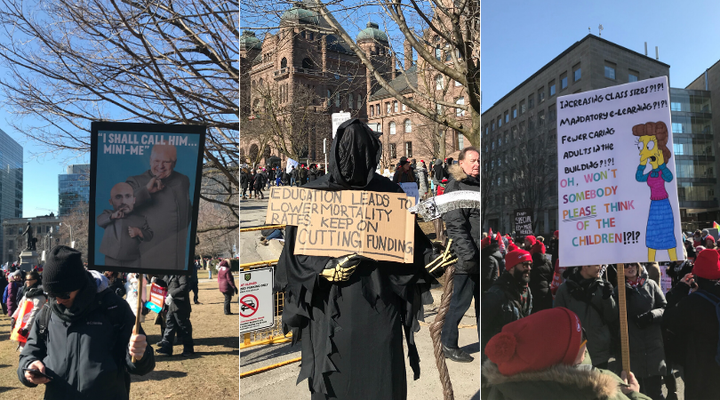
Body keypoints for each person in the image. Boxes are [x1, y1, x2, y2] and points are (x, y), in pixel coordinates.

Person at [274, 118, 440, 399]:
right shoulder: (313, 194)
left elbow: (411, 247)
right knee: (337, 377)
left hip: (379, 304)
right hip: (332, 307)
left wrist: (434, 258)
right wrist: (325, 269)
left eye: (362, 154)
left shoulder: (388, 193)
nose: (355, 161)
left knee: (380, 377)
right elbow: (293, 256)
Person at [17, 245, 154, 398]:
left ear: (80, 285)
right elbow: (29, 353)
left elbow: (141, 366)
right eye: (52, 294)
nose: (58, 300)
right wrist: (29, 366)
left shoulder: (114, 308)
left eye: (63, 294)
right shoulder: (47, 312)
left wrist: (140, 355)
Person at [483, 307, 652, 400]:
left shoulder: (505, 389)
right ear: (560, 360)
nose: (586, 344)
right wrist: (635, 395)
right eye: (581, 339)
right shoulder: (596, 394)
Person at [663, 249, 720, 400]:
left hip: (700, 371)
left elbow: (668, 320)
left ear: (697, 275)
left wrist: (681, 289)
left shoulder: (692, 303)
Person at [441, 146, 480, 363]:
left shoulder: (478, 185)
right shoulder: (456, 186)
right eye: (473, 161)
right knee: (459, 303)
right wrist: (469, 256)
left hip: (483, 256)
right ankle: (448, 344)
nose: (477, 164)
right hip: (467, 257)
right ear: (461, 163)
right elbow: (455, 225)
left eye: (479, 161)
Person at [126, 143, 191, 271]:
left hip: (177, 258)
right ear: (150, 160)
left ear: (175, 163)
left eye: (166, 162)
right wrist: (146, 191)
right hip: (148, 256)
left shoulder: (182, 180)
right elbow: (122, 207)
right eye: (157, 161)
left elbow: (188, 210)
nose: (160, 166)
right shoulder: (135, 181)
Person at [614, 262, 666, 400]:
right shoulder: (618, 289)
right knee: (637, 393)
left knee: (656, 392)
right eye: (625, 266)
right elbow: (613, 316)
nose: (630, 268)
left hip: (652, 345)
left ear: (638, 266)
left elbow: (663, 307)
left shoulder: (651, 285)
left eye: (632, 265)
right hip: (631, 346)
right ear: (620, 269)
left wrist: (651, 316)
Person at [554, 265, 617, 370]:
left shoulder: (602, 287)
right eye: (597, 264)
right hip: (576, 352)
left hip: (599, 351)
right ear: (585, 266)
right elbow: (558, 321)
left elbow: (612, 316)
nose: (600, 267)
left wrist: (608, 298)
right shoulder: (564, 290)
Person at [633, 121, 678, 262]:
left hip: (664, 205)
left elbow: (669, 177)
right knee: (651, 236)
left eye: (648, 146)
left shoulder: (660, 171)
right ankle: (651, 263)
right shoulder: (651, 173)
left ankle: (674, 261)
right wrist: (642, 164)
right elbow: (639, 177)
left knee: (668, 236)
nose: (643, 150)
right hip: (654, 206)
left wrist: (661, 164)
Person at [482, 248, 533, 358]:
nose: (528, 268)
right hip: (498, 357)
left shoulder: (526, 290)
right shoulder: (496, 294)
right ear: (512, 268)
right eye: (524, 265)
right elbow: (484, 328)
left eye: (529, 265)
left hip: (518, 353)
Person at [155, 274, 194, 356]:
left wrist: (172, 295)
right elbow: (165, 284)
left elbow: (184, 287)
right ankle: (166, 348)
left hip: (181, 306)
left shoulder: (181, 274)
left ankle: (188, 350)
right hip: (171, 306)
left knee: (184, 327)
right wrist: (157, 281)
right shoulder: (168, 274)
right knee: (169, 327)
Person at [13, 271, 47, 346]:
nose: (26, 281)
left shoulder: (39, 296)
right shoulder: (27, 293)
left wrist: (26, 328)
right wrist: (13, 317)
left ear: (35, 280)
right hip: (22, 325)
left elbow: (35, 312)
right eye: (26, 279)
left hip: (31, 328)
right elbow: (20, 307)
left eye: (28, 280)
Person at [528, 240, 554, 313]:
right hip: (546, 292)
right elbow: (551, 277)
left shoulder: (531, 263)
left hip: (533, 292)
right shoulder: (548, 262)